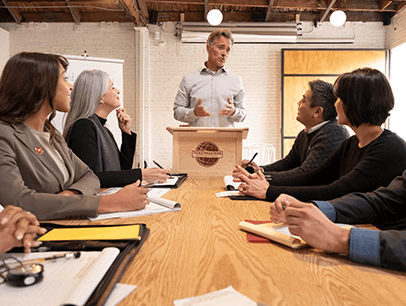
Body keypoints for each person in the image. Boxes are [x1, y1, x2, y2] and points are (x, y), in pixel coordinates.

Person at [0, 52, 149, 221]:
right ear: (41, 86)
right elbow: (21, 202)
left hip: (72, 223)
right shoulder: (4, 135)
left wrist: (70, 195)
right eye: (64, 79)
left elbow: (89, 176)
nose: (70, 87)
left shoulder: (51, 134)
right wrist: (106, 203)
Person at [234, 68, 406, 202]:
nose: (336, 104)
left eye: (340, 99)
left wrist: (268, 190)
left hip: (382, 234)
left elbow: (334, 190)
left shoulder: (389, 149)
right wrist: (262, 180)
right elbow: (312, 177)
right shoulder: (352, 143)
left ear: (356, 104)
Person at [269, 166, 406, 272]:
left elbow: (333, 187)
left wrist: (342, 238)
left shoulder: (389, 147)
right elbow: (382, 200)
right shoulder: (350, 143)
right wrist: (309, 209)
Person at [63, 69, 170, 188]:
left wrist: (126, 132)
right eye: (112, 87)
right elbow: (91, 178)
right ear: (100, 97)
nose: (118, 91)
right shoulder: (83, 127)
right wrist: (141, 174)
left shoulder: (103, 129)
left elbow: (122, 169)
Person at [233, 80, 349, 180]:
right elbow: (288, 163)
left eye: (303, 100)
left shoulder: (333, 133)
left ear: (317, 112)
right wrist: (259, 170)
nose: (298, 103)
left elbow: (305, 174)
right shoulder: (305, 134)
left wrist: (259, 176)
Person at [173, 29, 247, 127]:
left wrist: (234, 112)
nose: (224, 53)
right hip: (197, 141)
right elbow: (177, 112)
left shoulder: (236, 80)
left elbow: (243, 114)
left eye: (228, 50)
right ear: (208, 48)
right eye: (221, 47)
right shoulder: (189, 79)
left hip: (226, 140)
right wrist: (193, 113)